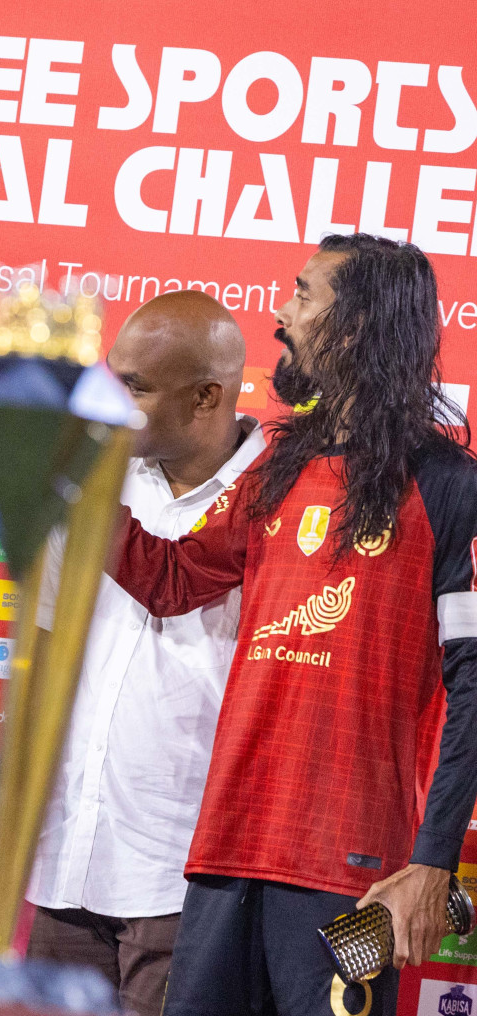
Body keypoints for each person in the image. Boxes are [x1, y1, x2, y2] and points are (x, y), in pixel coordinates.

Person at [109, 234, 477, 1015]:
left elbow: (474, 685)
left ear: (357, 327)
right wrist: (63, 479)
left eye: (304, 296)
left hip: (356, 873)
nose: (281, 313)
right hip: (228, 850)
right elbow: (172, 578)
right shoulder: (279, 462)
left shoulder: (449, 485)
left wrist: (433, 860)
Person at [24, 291, 264, 1016]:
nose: (108, 399)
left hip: (187, 875)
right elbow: (46, 647)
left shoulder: (282, 505)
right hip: (66, 861)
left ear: (207, 397)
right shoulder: (85, 486)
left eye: (135, 385)